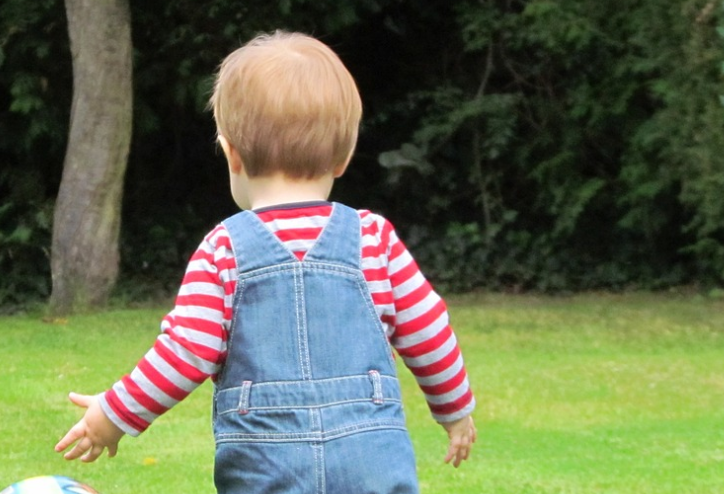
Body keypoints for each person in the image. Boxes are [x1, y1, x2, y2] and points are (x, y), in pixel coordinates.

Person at [55, 30, 477, 493]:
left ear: (231, 153)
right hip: (371, 464)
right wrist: (454, 411)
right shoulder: (374, 240)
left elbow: (184, 352)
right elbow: (429, 329)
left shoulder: (223, 250)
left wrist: (113, 415)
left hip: (267, 467)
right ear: (345, 156)